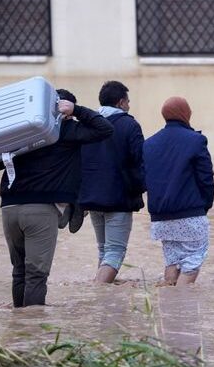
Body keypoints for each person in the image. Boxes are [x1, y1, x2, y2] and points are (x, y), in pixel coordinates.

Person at [0, 89, 113, 307]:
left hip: (9, 208)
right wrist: (78, 111)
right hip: (40, 210)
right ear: (64, 111)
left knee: (19, 271)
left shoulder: (21, 131)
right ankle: (33, 332)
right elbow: (105, 129)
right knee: (36, 274)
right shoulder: (64, 129)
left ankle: (18, 326)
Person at [143, 96, 214, 285]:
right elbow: (206, 179)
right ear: (186, 113)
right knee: (192, 262)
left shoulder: (149, 144)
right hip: (191, 216)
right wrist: (204, 206)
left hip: (161, 219)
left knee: (172, 262)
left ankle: (169, 307)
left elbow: (147, 179)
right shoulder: (196, 140)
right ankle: (181, 305)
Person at [79, 81, 145, 283]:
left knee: (104, 250)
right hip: (118, 198)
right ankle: (97, 290)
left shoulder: (88, 124)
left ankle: (103, 302)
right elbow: (140, 160)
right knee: (115, 253)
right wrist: (141, 189)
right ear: (121, 102)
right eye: (128, 101)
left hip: (91, 199)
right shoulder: (129, 125)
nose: (129, 106)